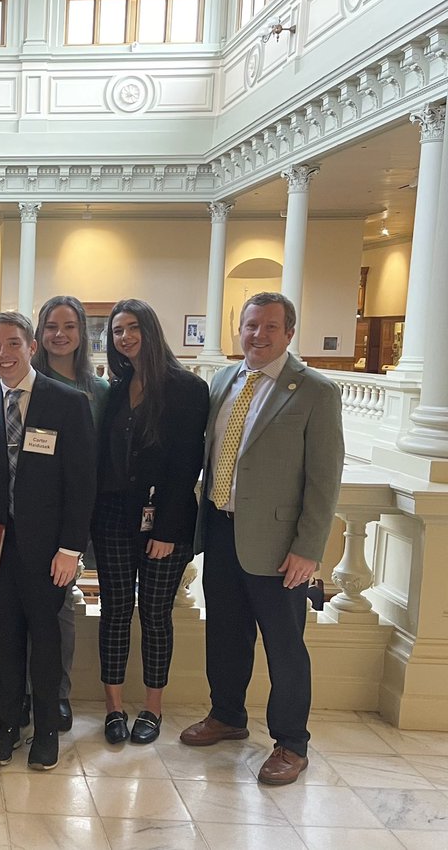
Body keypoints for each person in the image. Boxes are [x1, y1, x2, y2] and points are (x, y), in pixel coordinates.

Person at [181, 292, 344, 786]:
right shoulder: (224, 380)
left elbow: (324, 479)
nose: (259, 335)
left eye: (271, 326)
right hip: (221, 530)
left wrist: (308, 549)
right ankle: (227, 715)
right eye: (251, 325)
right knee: (225, 633)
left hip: (279, 546)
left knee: (284, 645)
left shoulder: (315, 391)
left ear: (289, 332)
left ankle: (292, 742)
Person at [0, 312, 96, 770]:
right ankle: (6, 725)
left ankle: (45, 730)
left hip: (50, 551)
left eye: (13, 344)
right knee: (5, 640)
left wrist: (70, 550)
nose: (3, 354)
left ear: (32, 347)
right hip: (0, 550)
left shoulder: (68, 403)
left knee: (45, 639)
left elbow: (82, 483)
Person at [93, 299, 208, 745]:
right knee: (115, 613)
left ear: (151, 330)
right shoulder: (117, 387)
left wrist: (165, 530)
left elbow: (187, 465)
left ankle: (153, 708)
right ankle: (114, 707)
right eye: (117, 330)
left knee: (156, 615)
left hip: (165, 522)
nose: (124, 337)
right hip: (112, 517)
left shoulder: (187, 388)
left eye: (132, 327)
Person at [31, 295, 111, 732]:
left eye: (69, 326)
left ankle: (56, 693)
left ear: (82, 333)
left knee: (61, 606)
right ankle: (23, 690)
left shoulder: (100, 392)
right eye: (51, 326)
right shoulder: (24, 380)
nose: (59, 334)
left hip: (72, 519)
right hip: (27, 514)